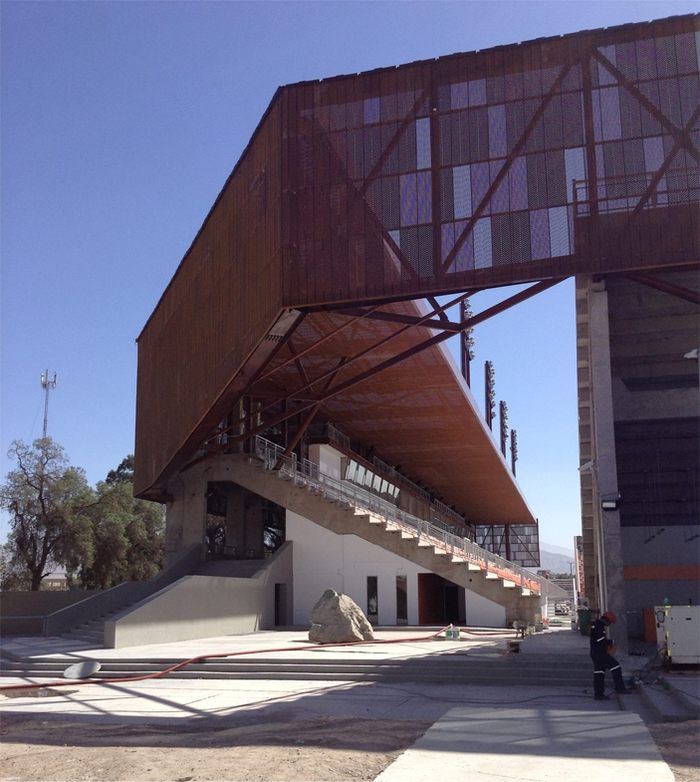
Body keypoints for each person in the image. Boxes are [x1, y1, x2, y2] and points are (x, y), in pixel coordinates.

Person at [590, 610, 629, 699]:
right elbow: (600, 641)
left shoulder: (596, 625)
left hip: (595, 653)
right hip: (600, 654)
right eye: (610, 623)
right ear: (606, 620)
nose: (609, 625)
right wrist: (611, 642)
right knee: (616, 666)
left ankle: (599, 694)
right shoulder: (599, 626)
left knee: (599, 673)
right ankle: (620, 688)